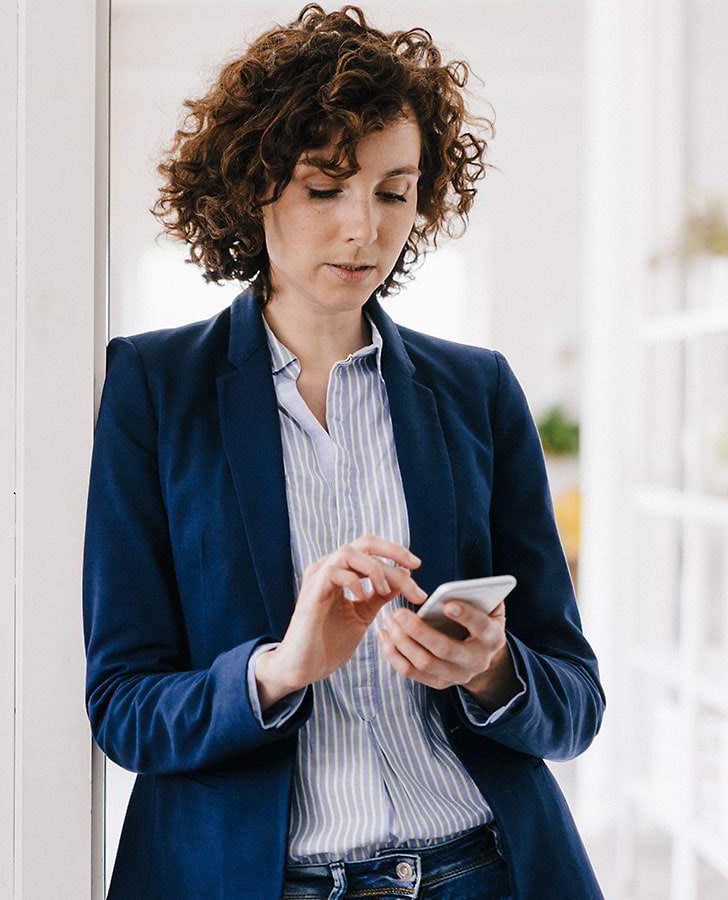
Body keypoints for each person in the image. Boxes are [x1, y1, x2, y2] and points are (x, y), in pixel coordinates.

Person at [82, 5, 604, 898]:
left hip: (483, 871)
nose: (365, 228)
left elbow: (576, 701)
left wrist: (490, 671)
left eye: (394, 190)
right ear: (254, 187)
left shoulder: (479, 390)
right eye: (326, 188)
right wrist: (282, 668)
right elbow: (124, 708)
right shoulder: (152, 388)